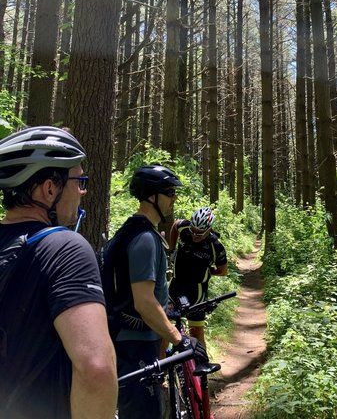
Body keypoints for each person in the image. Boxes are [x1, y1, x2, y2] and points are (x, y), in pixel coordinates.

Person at [0, 126, 117, 419]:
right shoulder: (65, 249)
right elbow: (96, 370)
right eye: (78, 180)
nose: (83, 190)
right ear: (49, 188)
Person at [115, 164, 208, 419]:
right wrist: (180, 339)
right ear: (151, 196)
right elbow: (144, 302)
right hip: (137, 346)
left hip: (132, 341)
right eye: (169, 191)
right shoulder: (145, 238)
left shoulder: (131, 231)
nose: (174, 198)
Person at [169, 206, 228, 348]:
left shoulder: (215, 246)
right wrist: (171, 249)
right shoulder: (185, 227)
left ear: (209, 229)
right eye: (193, 231)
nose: (195, 235)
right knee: (165, 328)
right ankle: (163, 368)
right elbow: (175, 224)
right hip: (176, 284)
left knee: (196, 332)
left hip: (197, 291)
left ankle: (202, 366)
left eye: (200, 233)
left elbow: (223, 271)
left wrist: (207, 271)